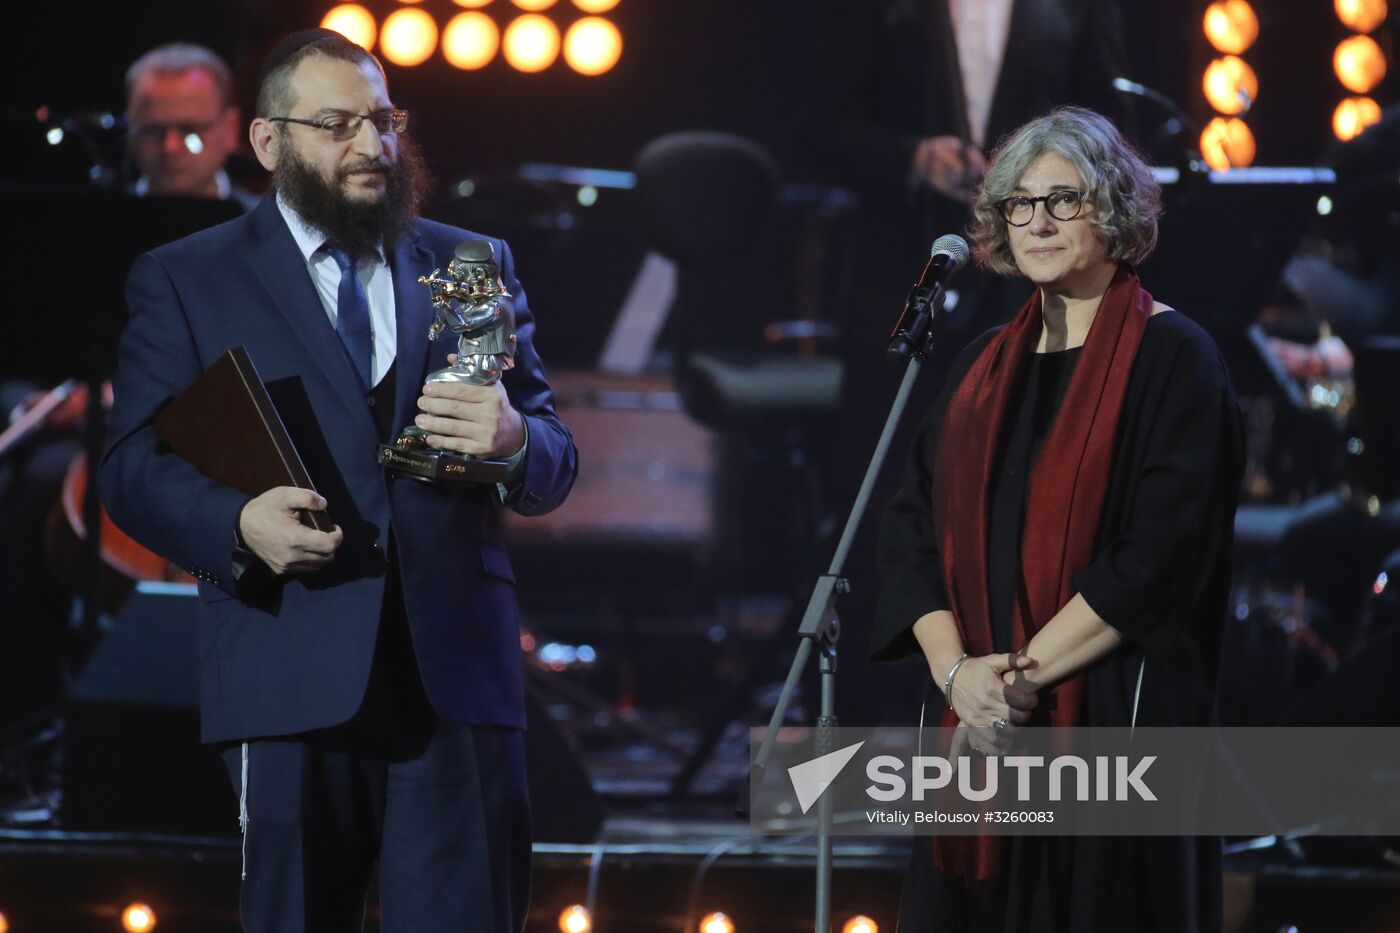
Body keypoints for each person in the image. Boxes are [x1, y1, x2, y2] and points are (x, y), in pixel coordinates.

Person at [99, 29, 576, 933]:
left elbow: (553, 458)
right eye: (337, 125)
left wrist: (515, 439)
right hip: (288, 673)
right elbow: (131, 467)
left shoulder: (468, 265)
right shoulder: (189, 277)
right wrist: (239, 523)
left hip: (455, 684)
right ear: (270, 142)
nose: (373, 146)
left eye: (383, 119)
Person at [869, 107, 1243, 932]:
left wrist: (1012, 681)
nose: (1037, 221)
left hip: (1108, 729)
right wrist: (957, 677)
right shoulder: (976, 370)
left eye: (1064, 200)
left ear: (1112, 210)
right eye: (1019, 204)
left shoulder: (1176, 359)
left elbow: (1158, 559)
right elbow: (908, 534)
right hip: (980, 731)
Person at [124, 42, 261, 209]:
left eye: (189, 130)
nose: (170, 147)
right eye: (153, 130)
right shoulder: (93, 228)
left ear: (231, 129)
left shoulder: (273, 229)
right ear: (131, 128)